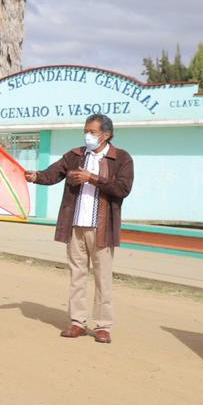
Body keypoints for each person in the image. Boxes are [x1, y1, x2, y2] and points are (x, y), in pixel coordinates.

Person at [25, 113, 134, 344]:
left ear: (106, 135)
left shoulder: (121, 158)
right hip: (75, 226)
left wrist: (92, 178)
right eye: (85, 131)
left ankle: (103, 326)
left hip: (102, 228)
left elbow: (122, 189)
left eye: (92, 132)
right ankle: (77, 322)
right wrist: (36, 176)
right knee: (77, 276)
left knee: (103, 278)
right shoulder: (75, 155)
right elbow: (52, 174)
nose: (87, 136)